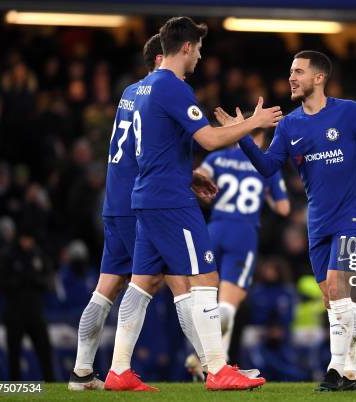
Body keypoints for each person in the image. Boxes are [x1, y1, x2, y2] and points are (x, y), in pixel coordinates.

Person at [103, 16, 282, 392]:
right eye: (198, 49)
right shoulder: (173, 86)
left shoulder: (144, 87)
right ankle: (217, 369)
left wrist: (189, 173)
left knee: (142, 283)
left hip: (148, 196)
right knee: (206, 277)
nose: (200, 56)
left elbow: (158, 147)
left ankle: (118, 369)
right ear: (186, 47)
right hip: (171, 202)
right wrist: (254, 122)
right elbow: (210, 140)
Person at [217, 50, 356, 391]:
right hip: (318, 222)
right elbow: (268, 166)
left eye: (298, 71)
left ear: (319, 77)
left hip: (354, 215)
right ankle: (351, 376)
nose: (291, 77)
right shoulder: (289, 125)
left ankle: (333, 371)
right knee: (334, 302)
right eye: (290, 72)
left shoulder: (349, 112)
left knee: (336, 284)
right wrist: (242, 134)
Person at [68, 34, 218, 391]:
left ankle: (82, 372)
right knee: (180, 283)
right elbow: (153, 150)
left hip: (115, 201)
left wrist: (187, 174)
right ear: (160, 60)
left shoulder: (130, 94)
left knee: (107, 288)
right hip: (143, 202)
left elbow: (135, 148)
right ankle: (214, 365)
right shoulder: (160, 91)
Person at [194, 123, 290, 369]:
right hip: (243, 232)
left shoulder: (217, 157)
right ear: (262, 138)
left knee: (203, 297)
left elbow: (197, 176)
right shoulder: (265, 166)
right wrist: (267, 194)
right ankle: (217, 363)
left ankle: (204, 356)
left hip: (212, 229)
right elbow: (284, 208)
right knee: (228, 304)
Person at [0, 225, 54, 382]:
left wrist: (35, 280)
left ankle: (51, 383)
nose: (28, 242)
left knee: (44, 348)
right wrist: (21, 280)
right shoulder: (8, 255)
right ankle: (15, 385)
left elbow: (48, 278)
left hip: (34, 311)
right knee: (14, 352)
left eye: (30, 239)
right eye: (25, 239)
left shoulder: (37, 254)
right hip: (14, 311)